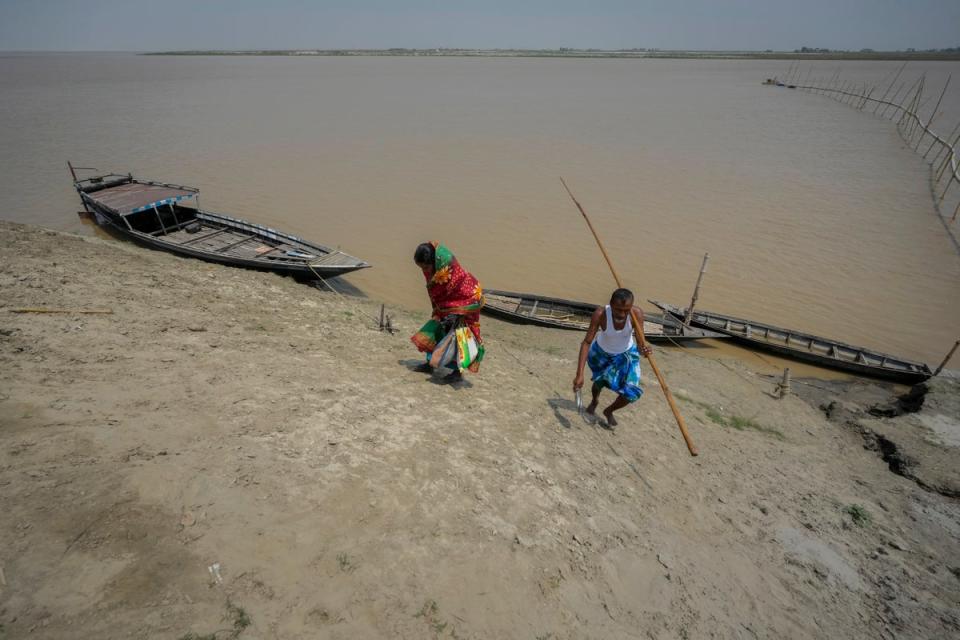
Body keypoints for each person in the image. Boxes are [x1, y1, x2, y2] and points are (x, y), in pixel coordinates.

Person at [573, 288, 652, 427]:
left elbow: (640, 346)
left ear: (631, 306)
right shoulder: (600, 314)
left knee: (631, 393)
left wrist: (645, 350)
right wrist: (579, 374)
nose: (622, 314)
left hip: (626, 354)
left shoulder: (636, 314)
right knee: (599, 382)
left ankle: (609, 411)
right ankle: (594, 401)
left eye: (626, 310)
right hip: (602, 352)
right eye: (617, 309)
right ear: (610, 304)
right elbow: (586, 342)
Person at [410, 241, 485, 382]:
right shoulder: (433, 268)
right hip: (448, 303)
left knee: (458, 336)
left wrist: (452, 313)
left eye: (426, 267)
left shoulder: (449, 268)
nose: (424, 270)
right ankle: (430, 363)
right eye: (421, 267)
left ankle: (457, 373)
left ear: (433, 261)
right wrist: (440, 309)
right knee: (438, 328)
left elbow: (454, 290)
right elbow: (436, 289)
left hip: (467, 300)